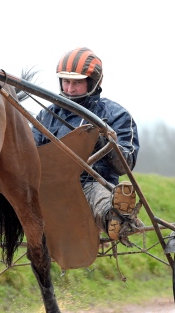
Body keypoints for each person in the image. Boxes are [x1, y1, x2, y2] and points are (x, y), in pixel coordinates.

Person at [31, 47, 140, 242]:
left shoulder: (117, 115)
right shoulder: (46, 115)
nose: (70, 89)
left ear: (92, 82)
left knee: (98, 196)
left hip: (91, 184)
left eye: (77, 83)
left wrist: (101, 140)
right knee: (13, 198)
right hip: (49, 189)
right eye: (66, 82)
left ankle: (115, 218)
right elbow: (29, 154)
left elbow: (126, 165)